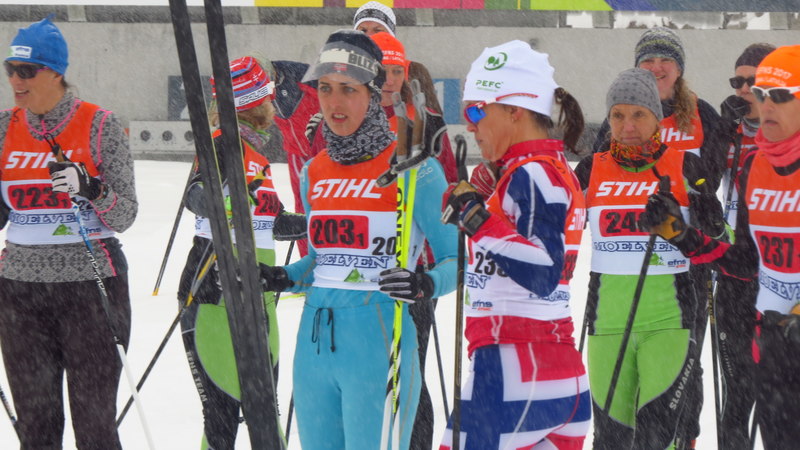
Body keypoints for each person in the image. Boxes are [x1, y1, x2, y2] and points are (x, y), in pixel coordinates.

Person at [260, 30, 457, 449]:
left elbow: (458, 257)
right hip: (314, 347)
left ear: (373, 93)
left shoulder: (413, 168)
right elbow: (323, 260)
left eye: (348, 89)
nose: (334, 102)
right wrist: (283, 277)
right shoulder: (314, 171)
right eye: (325, 88)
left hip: (378, 342)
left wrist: (426, 283)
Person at [640, 44, 800, 450]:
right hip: (765, 325)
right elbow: (746, 258)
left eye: (779, 95)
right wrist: (681, 235)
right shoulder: (756, 167)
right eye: (758, 92)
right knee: (743, 409)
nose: (760, 101)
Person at [439, 40, 591, 450]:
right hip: (553, 373)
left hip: (513, 370)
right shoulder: (549, 171)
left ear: (514, 110)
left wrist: (476, 219)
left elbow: (543, 271)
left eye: (476, 111)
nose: (470, 125)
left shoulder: (533, 173)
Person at [0, 17, 137, 449]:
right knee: (36, 428)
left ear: (55, 72)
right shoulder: (4, 127)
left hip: (90, 290)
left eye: (27, 71)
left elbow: (126, 214)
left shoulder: (100, 125)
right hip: (20, 293)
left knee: (94, 426)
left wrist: (91, 188)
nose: (15, 81)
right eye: (10, 69)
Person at [590, 28, 729, 448]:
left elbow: (713, 179)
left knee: (683, 377)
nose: (656, 67)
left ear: (679, 68)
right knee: (614, 430)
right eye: (647, 60)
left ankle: (686, 436)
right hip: (612, 307)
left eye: (665, 59)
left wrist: (692, 213)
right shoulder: (607, 143)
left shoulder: (701, 116)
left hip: (680, 283)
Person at [176, 56, 304, 450]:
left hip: (258, 291)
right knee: (223, 415)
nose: (274, 105)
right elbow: (195, 194)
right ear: (256, 104)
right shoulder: (223, 144)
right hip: (214, 289)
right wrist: (224, 205)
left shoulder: (257, 157)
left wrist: (322, 221)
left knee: (265, 413)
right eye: (269, 98)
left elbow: (273, 223)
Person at [713, 43, 775, 450]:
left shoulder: (789, 132)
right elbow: (700, 181)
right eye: (738, 81)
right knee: (736, 398)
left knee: (776, 398)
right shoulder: (729, 134)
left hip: (779, 278)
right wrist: (720, 133)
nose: (744, 89)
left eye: (754, 81)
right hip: (735, 274)